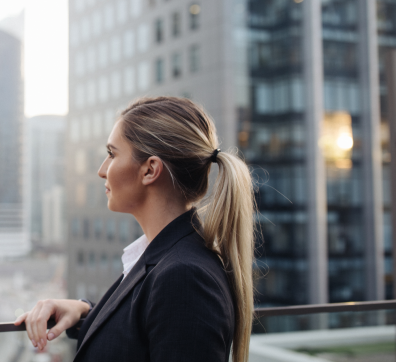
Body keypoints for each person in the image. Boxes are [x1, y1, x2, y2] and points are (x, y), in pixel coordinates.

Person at [15, 96, 255, 362]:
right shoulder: (167, 260)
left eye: (111, 154)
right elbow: (142, 329)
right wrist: (85, 311)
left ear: (150, 170)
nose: (101, 170)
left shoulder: (184, 277)